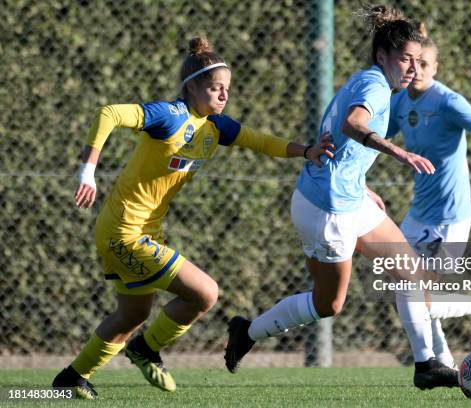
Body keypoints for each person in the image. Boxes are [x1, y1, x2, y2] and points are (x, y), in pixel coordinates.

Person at [51, 36, 333, 399]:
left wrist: (306, 151)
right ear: (191, 88)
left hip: (141, 231)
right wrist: (87, 171)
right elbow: (110, 113)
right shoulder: (169, 115)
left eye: (227, 89)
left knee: (131, 316)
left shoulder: (216, 127)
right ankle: (145, 349)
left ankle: (70, 378)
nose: (223, 95)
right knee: (204, 292)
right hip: (125, 232)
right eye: (215, 88)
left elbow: (260, 141)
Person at [224, 5, 464, 390]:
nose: (412, 69)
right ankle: (247, 331)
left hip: (350, 198)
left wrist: (362, 183)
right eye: (405, 59)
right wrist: (398, 152)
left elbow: (342, 143)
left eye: (418, 61)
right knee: (328, 304)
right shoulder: (373, 85)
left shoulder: (375, 82)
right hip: (326, 209)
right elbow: (353, 124)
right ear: (382, 56)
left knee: (410, 271)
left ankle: (427, 365)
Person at [387, 25, 471, 369]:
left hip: (452, 217)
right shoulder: (399, 101)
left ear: (435, 68)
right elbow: (377, 139)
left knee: (419, 295)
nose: (416, 70)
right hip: (418, 213)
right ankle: (442, 364)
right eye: (412, 63)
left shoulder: (447, 101)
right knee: (405, 289)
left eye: (425, 64)